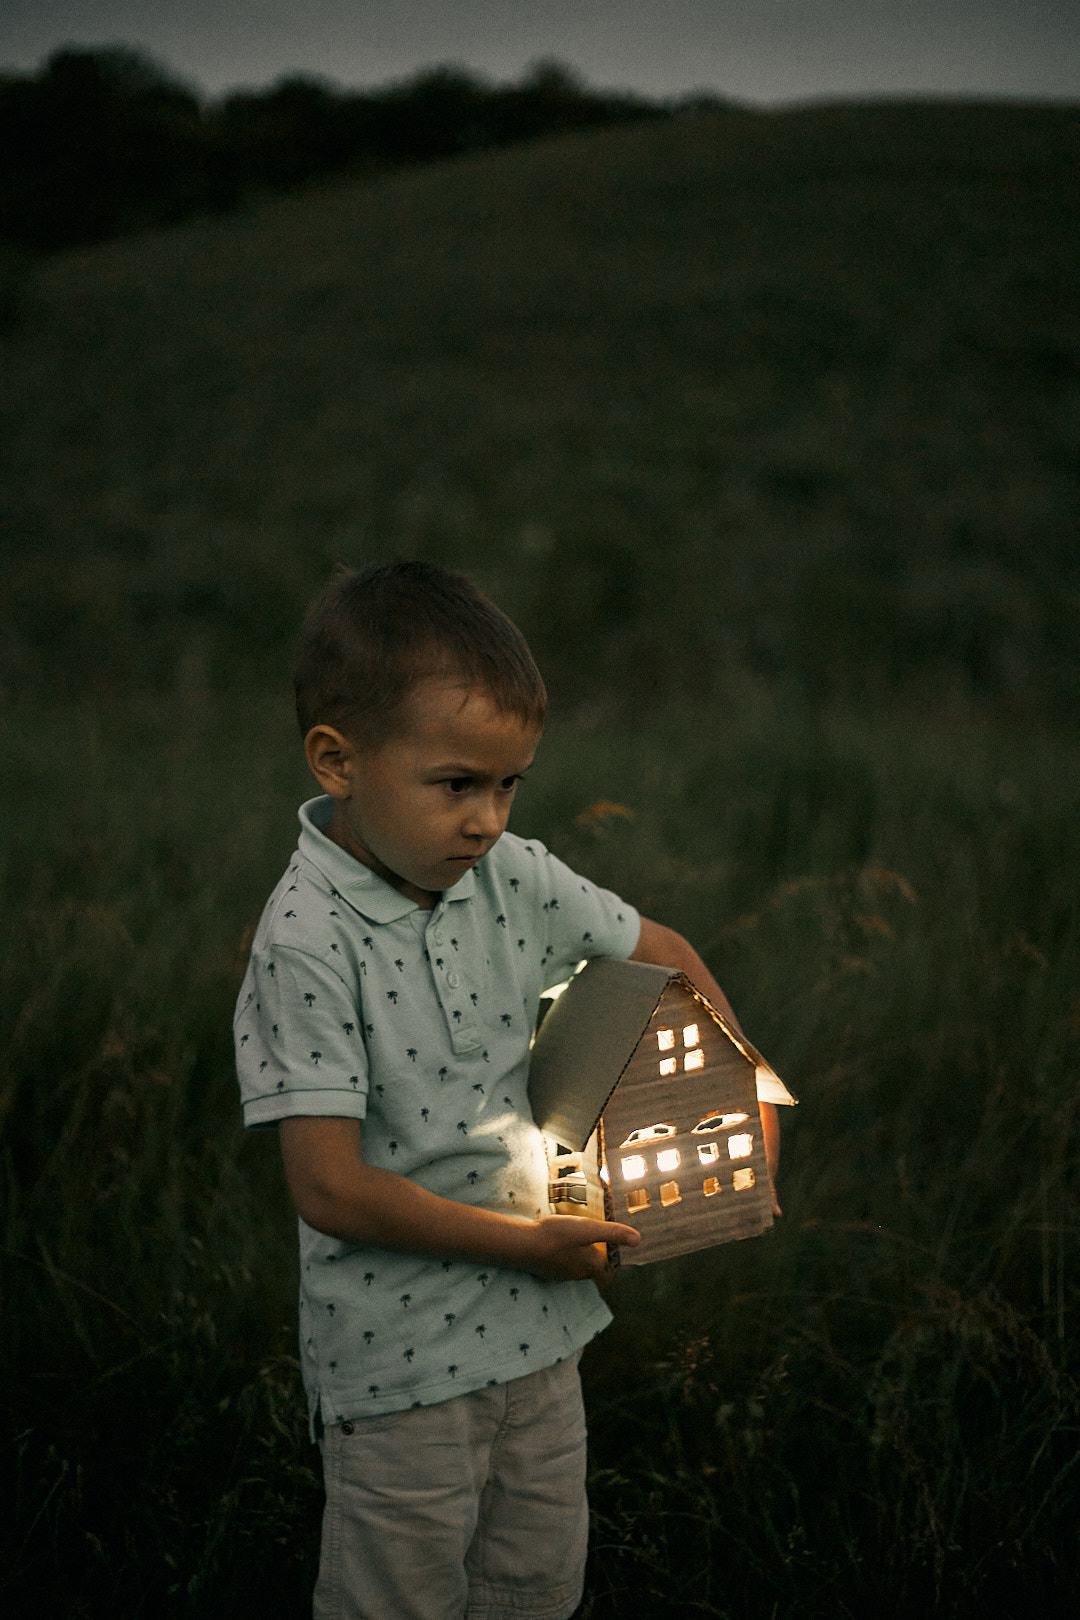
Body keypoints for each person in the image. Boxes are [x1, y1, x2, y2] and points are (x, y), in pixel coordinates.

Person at [234, 561, 779, 1620]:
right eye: (456, 785)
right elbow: (331, 1189)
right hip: (397, 1369)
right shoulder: (305, 940)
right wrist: (526, 1247)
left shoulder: (511, 877)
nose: (487, 818)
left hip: (543, 1336)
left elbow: (659, 952)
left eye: (508, 784)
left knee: (534, 1588)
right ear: (338, 761)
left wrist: (748, 1097)